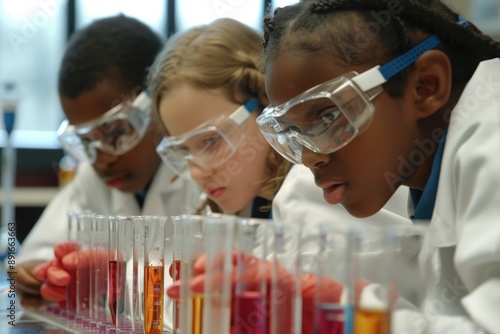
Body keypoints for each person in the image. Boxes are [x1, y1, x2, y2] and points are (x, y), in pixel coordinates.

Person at [150, 17, 413, 333]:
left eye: (210, 141)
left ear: (265, 107)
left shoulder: (315, 187)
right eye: (183, 152)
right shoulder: (234, 203)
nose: (196, 170)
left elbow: (371, 316)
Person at [258, 0, 500, 332]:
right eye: (294, 132)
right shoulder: (421, 175)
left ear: (425, 86)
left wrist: (347, 308)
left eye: (328, 116)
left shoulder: (492, 137)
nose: (311, 157)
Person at [15, 15, 200, 309]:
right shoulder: (93, 178)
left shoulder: (203, 174)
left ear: (158, 103)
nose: (102, 160)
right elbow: (35, 257)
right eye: (87, 142)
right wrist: (42, 272)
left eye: (116, 133)